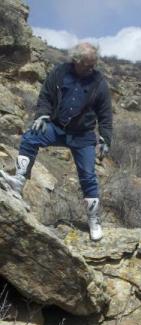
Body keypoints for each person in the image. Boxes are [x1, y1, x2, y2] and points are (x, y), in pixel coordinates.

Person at [0, 42, 112, 241]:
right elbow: (46, 96)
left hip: (82, 135)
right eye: (87, 64)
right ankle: (18, 182)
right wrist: (42, 115)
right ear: (76, 60)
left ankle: (94, 219)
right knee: (30, 138)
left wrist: (105, 138)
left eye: (93, 64)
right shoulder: (60, 72)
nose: (91, 68)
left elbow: (105, 115)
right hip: (57, 127)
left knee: (88, 175)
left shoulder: (99, 83)